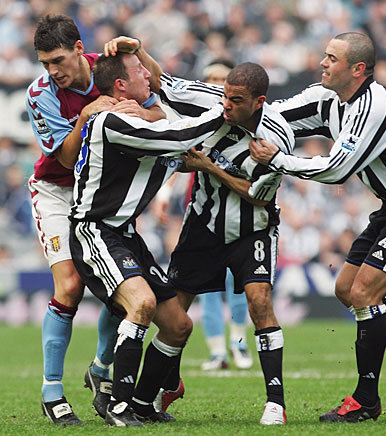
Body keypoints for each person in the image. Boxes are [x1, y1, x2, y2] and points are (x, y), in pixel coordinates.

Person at [249, 32, 386, 423]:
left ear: (357, 69)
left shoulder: (374, 105)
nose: (322, 63)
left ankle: (365, 400)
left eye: (332, 58)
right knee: (346, 289)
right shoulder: (327, 97)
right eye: (325, 55)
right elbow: (272, 115)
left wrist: (280, 160)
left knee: (363, 293)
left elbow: (336, 168)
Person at [70, 51, 226, 426]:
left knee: (178, 326)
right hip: (94, 230)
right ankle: (119, 405)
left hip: (124, 234)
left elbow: (170, 126)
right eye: (141, 71)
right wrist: (226, 111)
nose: (149, 76)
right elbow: (177, 135)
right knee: (140, 303)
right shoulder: (111, 120)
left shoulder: (140, 117)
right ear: (121, 85)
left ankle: (141, 403)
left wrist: (159, 113)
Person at [25, 14, 162, 425]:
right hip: (56, 191)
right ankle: (53, 392)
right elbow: (65, 158)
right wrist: (88, 115)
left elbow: (160, 113)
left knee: (120, 288)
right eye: (46, 63)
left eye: (59, 60)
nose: (53, 71)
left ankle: (100, 367)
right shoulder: (41, 93)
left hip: (104, 195)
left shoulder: (110, 68)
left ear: (78, 48)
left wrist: (134, 109)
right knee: (69, 285)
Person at [160, 62, 294, 425]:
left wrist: (209, 167)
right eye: (224, 95)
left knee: (259, 301)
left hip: (253, 229)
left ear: (259, 101)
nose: (226, 105)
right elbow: (158, 81)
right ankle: (164, 384)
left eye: (235, 99)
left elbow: (258, 197)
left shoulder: (275, 140)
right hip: (203, 226)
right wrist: (136, 48)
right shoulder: (211, 109)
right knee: (174, 311)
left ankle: (275, 403)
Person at [197, 59, 253, 371]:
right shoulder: (197, 120)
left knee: (238, 284)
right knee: (207, 285)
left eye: (221, 78)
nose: (215, 83)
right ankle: (217, 351)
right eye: (210, 77)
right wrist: (165, 195)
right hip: (206, 212)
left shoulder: (245, 122)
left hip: (240, 213)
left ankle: (239, 344)